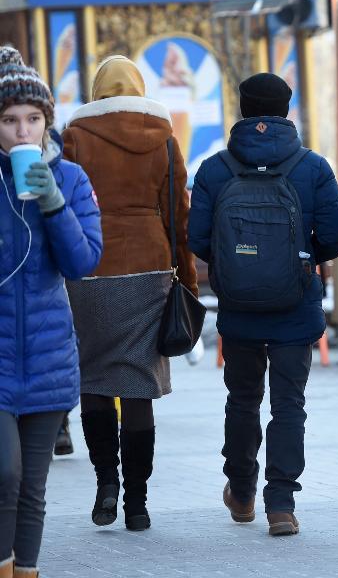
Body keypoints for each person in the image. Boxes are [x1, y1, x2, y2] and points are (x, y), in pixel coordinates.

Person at [188, 73, 338, 537]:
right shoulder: (312, 167)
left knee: (241, 399)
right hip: (294, 307)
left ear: (243, 108)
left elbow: (199, 238)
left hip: (238, 308)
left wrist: (237, 266)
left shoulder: (216, 169)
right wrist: (300, 260)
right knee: (288, 404)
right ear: (286, 107)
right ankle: (280, 503)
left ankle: (241, 490)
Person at [62, 55, 198, 532]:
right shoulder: (163, 137)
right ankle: (137, 504)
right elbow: (179, 216)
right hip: (149, 267)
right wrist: (188, 277)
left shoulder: (75, 137)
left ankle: (105, 488)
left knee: (95, 381)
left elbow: (64, 211)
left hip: (91, 269)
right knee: (139, 388)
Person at [0, 45, 102, 577]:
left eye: (32, 120)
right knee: (4, 474)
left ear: (47, 123)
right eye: (10, 120)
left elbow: (82, 261)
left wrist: (52, 204)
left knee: (33, 488)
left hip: (47, 357)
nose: (22, 133)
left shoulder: (72, 180)